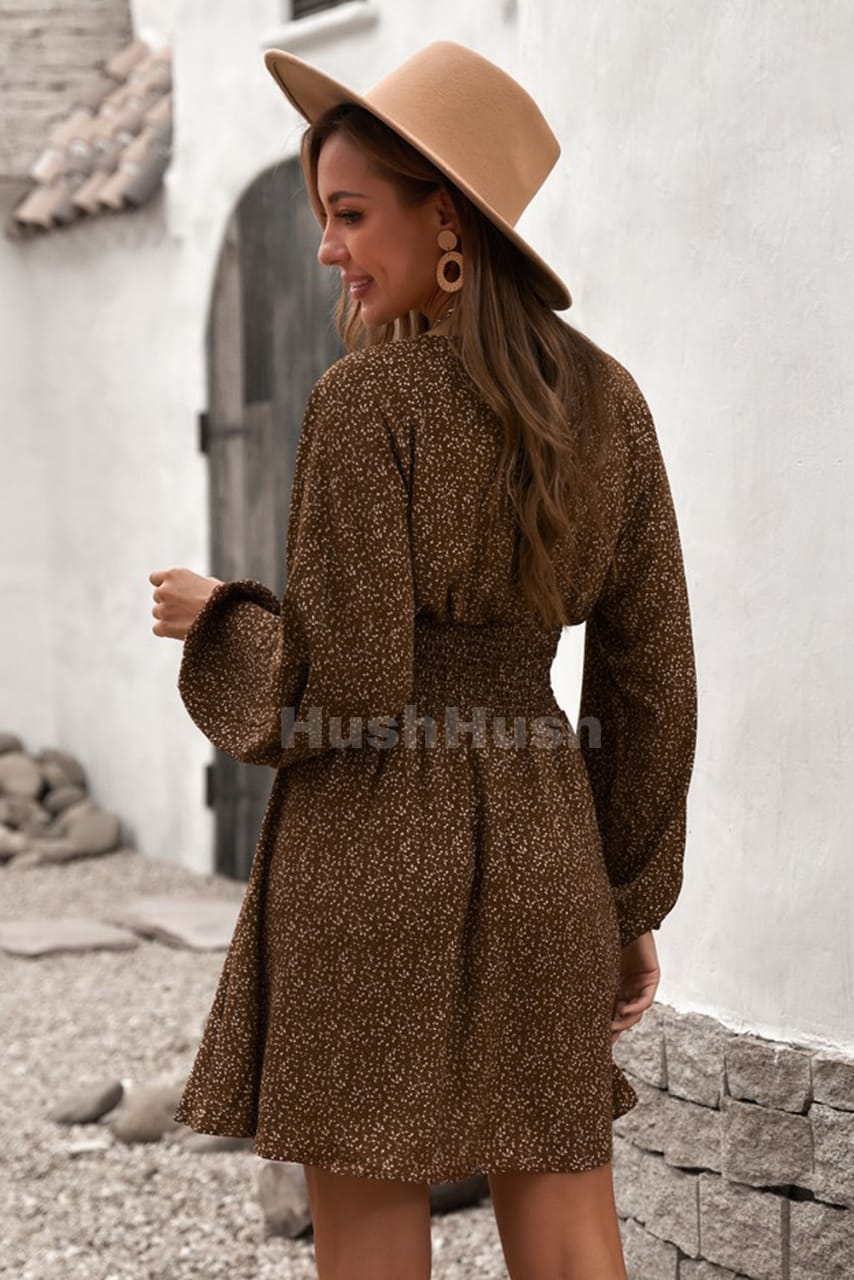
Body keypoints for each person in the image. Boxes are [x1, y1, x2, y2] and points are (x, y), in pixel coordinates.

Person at [149, 39, 697, 1280]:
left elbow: (347, 688)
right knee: (571, 1234)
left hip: (366, 854)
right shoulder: (610, 402)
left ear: (444, 218)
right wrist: (623, 899)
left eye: (349, 215)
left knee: (371, 1239)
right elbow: (651, 685)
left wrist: (221, 620)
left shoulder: (368, 402)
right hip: (545, 845)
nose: (327, 249)